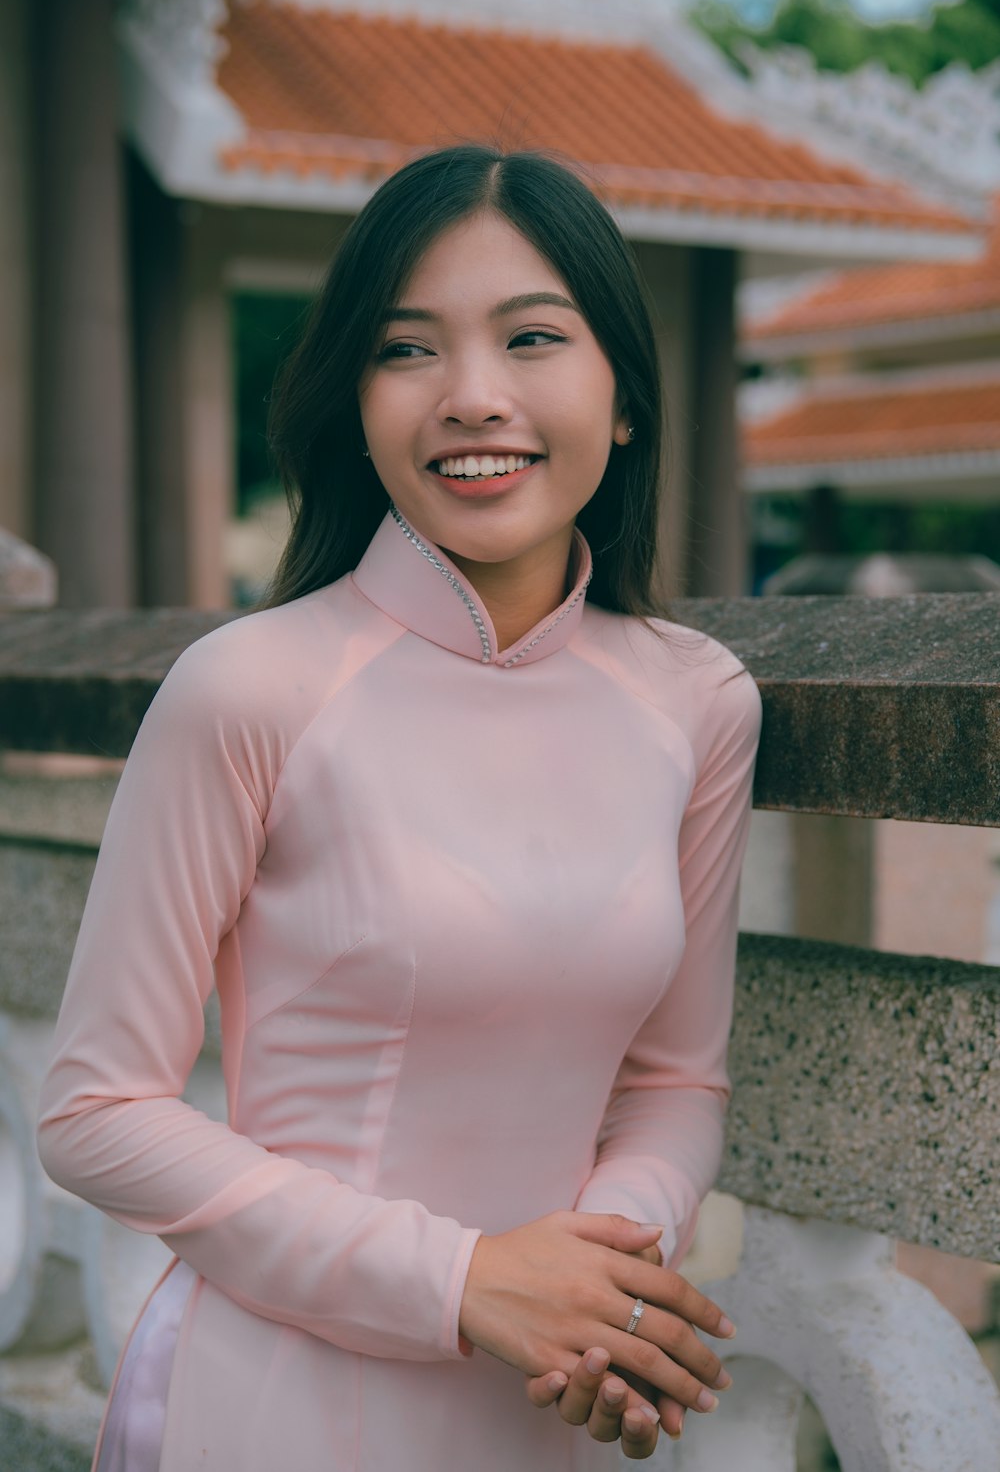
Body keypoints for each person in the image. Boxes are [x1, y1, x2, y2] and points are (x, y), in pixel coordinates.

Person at [37, 143, 761, 1471]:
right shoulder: (251, 689)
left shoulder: (698, 702)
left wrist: (595, 1279)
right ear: (357, 402)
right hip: (281, 1401)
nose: (472, 398)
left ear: (627, 396)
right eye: (407, 350)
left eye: (533, 337)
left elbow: (675, 1081)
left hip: (553, 1405)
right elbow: (95, 1111)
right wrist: (462, 1278)